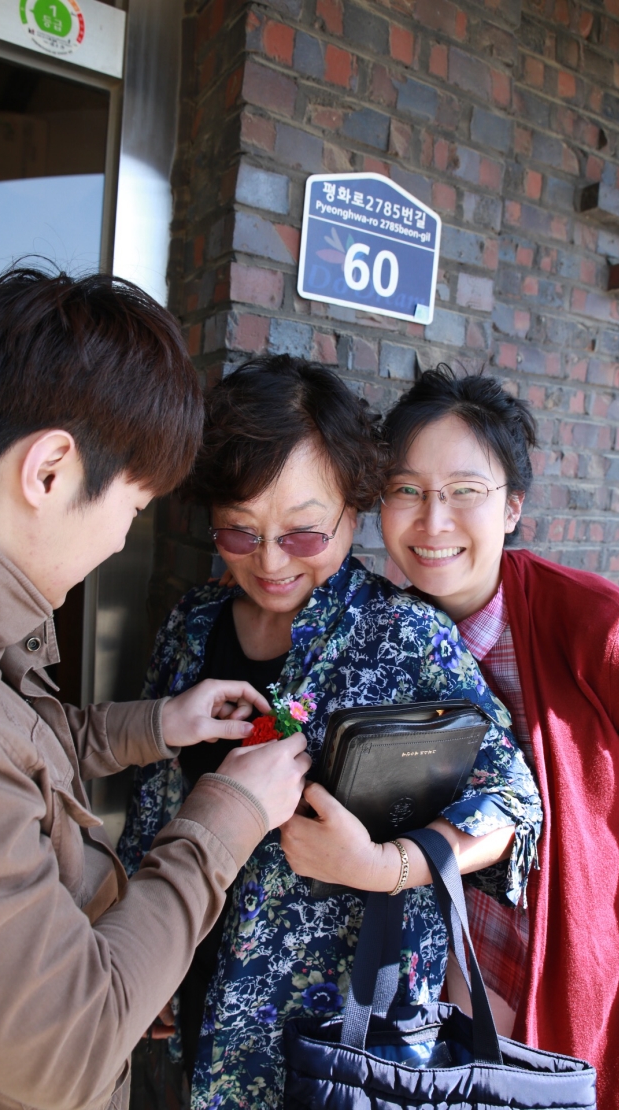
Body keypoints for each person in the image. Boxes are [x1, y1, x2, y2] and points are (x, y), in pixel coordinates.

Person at [118, 354, 542, 1110]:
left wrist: (385, 865)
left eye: (304, 534)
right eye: (239, 532)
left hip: (344, 1042)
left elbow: (512, 801)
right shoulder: (193, 623)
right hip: (200, 988)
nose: (270, 561)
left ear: (355, 507)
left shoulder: (405, 634)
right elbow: (155, 802)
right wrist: (138, 950)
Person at [0, 268, 311, 1110]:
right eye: (135, 508)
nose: (119, 541)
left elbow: (17, 755)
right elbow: (66, 1047)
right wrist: (228, 814)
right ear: (49, 471)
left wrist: (158, 724)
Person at [372, 364, 619, 1110]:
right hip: (431, 999)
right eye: (406, 489)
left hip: (572, 994)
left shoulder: (597, 626)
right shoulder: (376, 638)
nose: (433, 522)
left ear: (511, 506)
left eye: (464, 491)